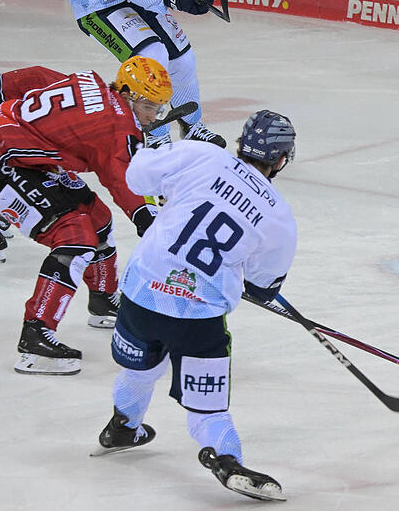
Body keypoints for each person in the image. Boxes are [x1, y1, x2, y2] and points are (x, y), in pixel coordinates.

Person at [92, 110, 297, 501]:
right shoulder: (279, 218)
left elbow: (136, 177)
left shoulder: (204, 155)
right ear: (281, 159)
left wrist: (157, 147)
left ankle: (122, 426)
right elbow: (262, 288)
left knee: (141, 371)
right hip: (196, 315)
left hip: (141, 293)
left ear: (240, 143)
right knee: (207, 411)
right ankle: (226, 461)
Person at [0, 56, 168, 375]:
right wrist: (147, 219)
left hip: (24, 155)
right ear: (127, 94)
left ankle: (102, 299)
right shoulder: (118, 126)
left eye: (159, 107)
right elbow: (121, 178)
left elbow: (38, 76)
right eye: (149, 106)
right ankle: (35, 335)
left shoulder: (92, 82)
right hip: (0, 161)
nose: (154, 116)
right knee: (74, 237)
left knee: (97, 217)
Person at [65, 0, 226, 148]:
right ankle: (155, 135)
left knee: (182, 60)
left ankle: (192, 126)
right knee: (152, 57)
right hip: (97, 1)